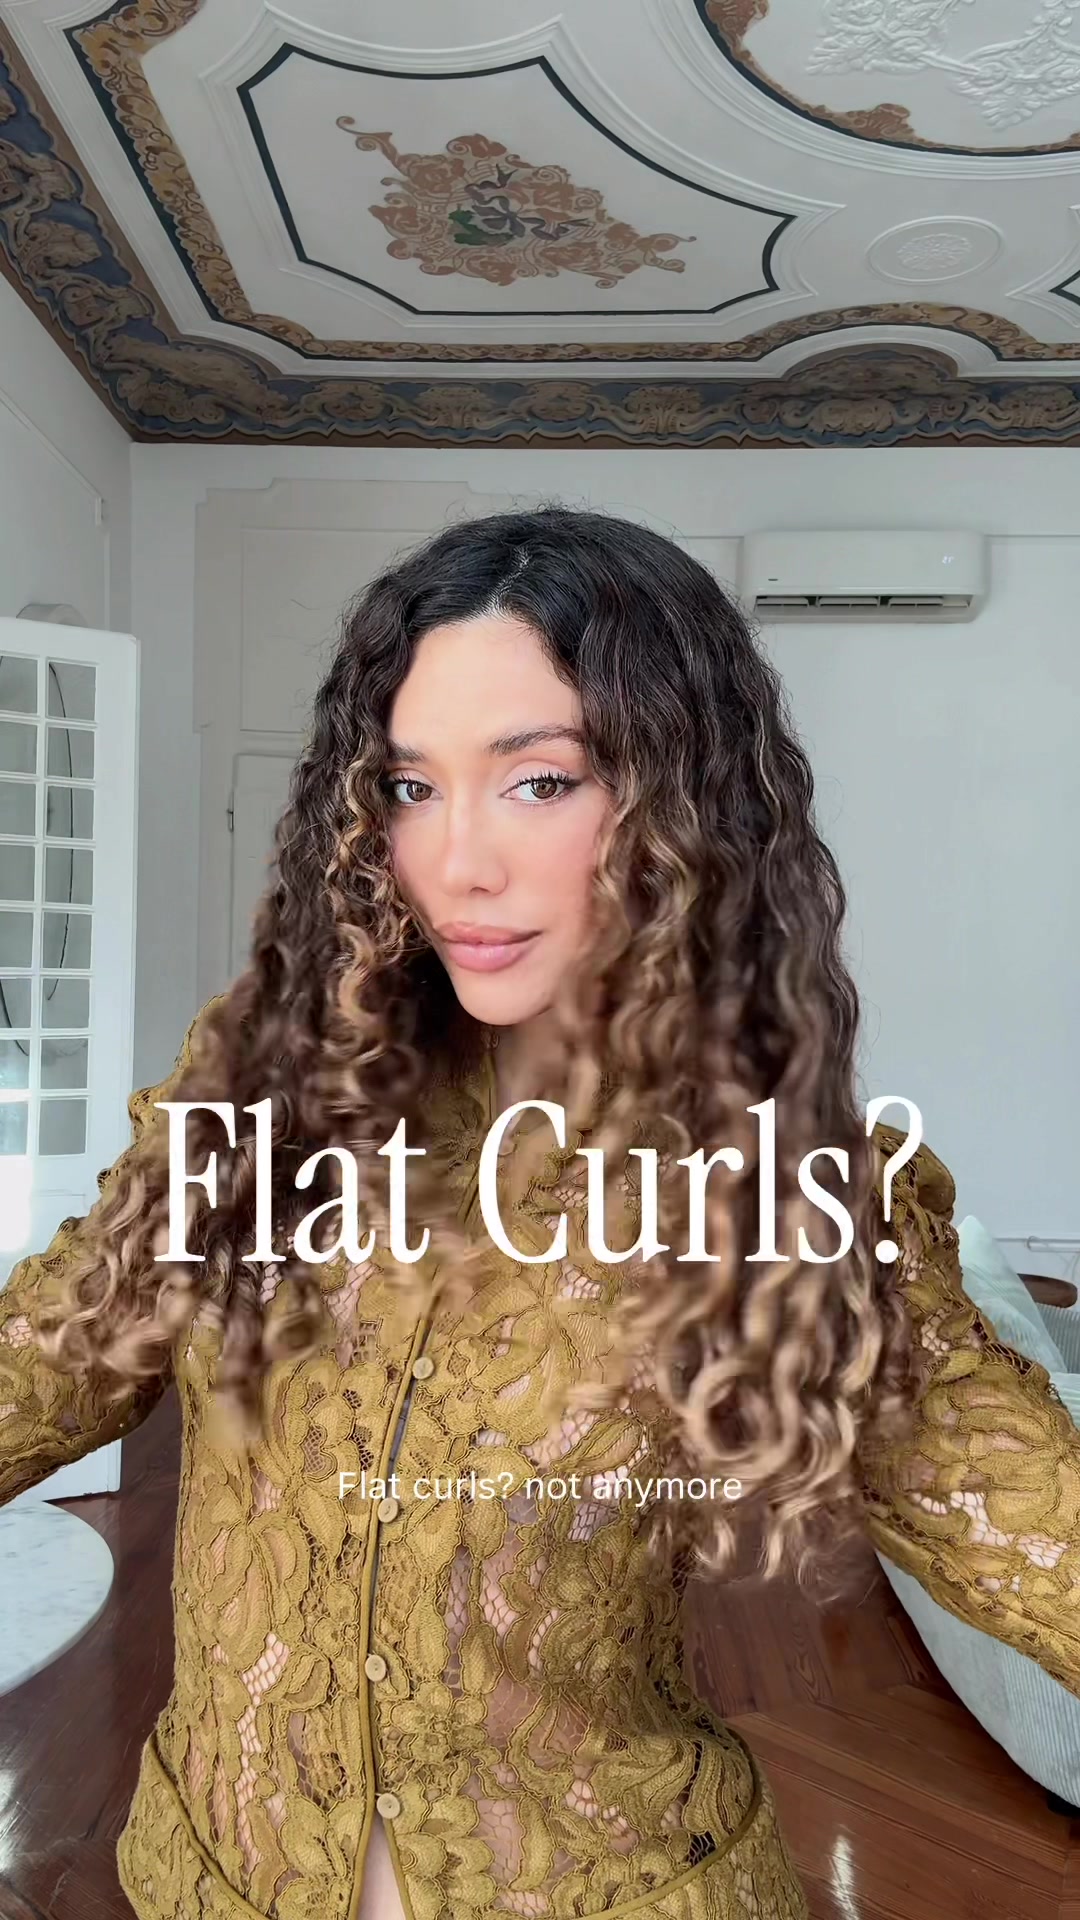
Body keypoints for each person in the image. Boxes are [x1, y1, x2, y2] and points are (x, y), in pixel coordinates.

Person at [2, 505, 1078, 1920]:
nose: (457, 863)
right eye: (410, 786)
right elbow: (48, 1357)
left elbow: (1029, 1529)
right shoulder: (264, 1094)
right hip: (209, 1885)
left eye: (539, 781)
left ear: (687, 807)